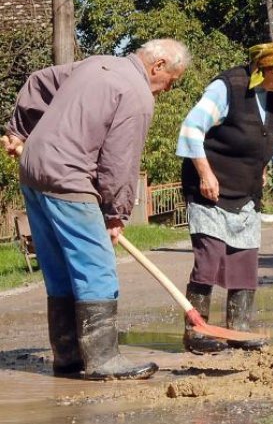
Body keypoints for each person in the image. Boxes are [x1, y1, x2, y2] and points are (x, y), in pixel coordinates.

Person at [1, 39, 191, 380]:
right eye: (171, 80)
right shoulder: (137, 95)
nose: (168, 88)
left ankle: (69, 356)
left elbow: (39, 81)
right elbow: (120, 162)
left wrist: (19, 131)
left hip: (33, 169)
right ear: (158, 66)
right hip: (69, 177)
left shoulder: (96, 64)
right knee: (97, 266)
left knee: (59, 267)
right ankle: (103, 360)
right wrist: (115, 213)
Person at [177, 39, 273, 354]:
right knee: (210, 259)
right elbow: (191, 129)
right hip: (210, 188)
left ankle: (239, 330)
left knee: (244, 261)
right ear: (267, 69)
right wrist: (205, 174)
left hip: (245, 192)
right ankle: (197, 332)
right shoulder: (227, 87)